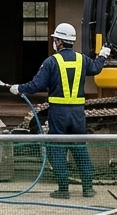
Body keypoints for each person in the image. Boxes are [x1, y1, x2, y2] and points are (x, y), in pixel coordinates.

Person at [10, 23, 109, 199]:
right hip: (78, 114)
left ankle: (63, 190)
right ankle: (88, 189)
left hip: (58, 113)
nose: (54, 42)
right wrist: (102, 55)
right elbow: (96, 68)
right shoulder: (82, 59)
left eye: (55, 39)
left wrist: (18, 88)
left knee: (57, 149)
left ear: (59, 42)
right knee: (80, 149)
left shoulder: (51, 61)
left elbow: (36, 85)